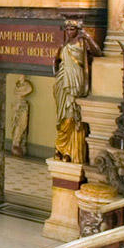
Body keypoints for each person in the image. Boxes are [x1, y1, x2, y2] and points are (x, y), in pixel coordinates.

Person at [54, 19, 101, 163]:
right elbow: (56, 61)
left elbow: (98, 52)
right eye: (67, 29)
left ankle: (70, 151)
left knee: (73, 116)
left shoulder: (82, 44)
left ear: (77, 30)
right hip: (63, 84)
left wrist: (87, 37)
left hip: (76, 83)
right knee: (62, 116)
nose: (69, 32)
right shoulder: (63, 46)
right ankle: (61, 148)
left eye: (72, 29)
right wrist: (57, 75)